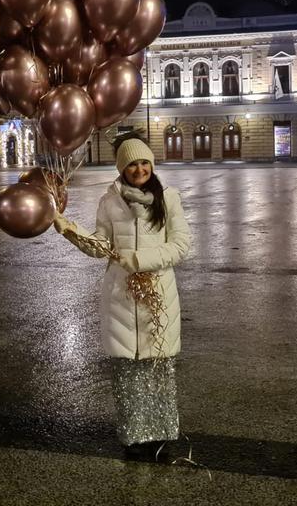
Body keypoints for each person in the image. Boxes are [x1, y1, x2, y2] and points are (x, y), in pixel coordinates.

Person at [53, 132, 192, 461]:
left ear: (152, 165)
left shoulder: (168, 198)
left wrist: (141, 260)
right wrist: (70, 230)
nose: (139, 168)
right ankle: (133, 437)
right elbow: (101, 246)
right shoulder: (109, 200)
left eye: (144, 162)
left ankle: (160, 436)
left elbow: (182, 246)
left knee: (158, 369)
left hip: (158, 293)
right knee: (127, 372)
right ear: (122, 168)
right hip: (121, 295)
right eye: (132, 163)